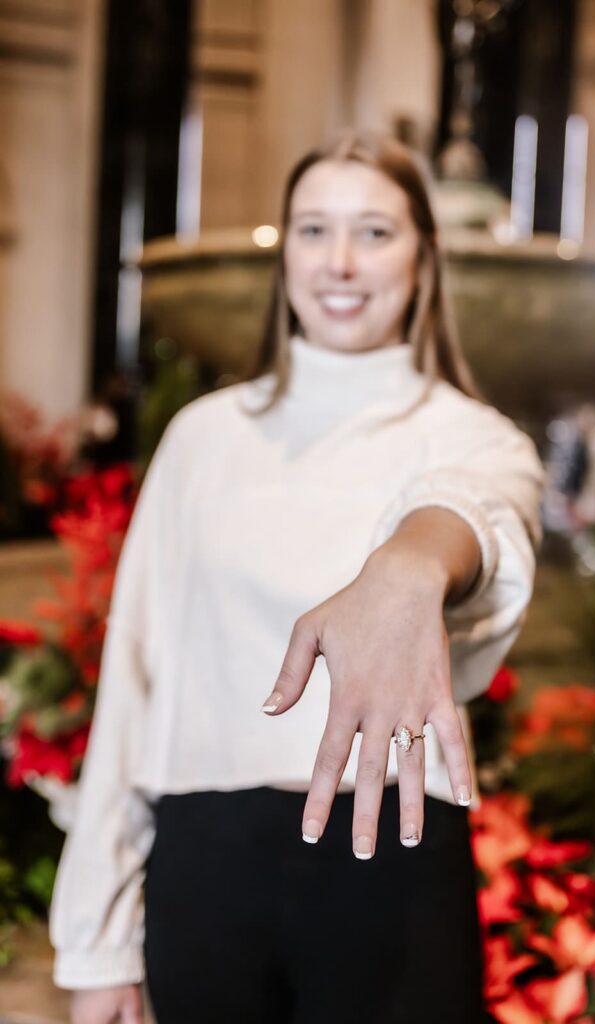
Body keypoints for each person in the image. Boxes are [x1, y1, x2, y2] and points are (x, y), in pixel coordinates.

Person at [49, 131, 544, 1024]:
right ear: (286, 256)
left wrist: (409, 563)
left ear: (424, 260)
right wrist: (97, 941)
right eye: (314, 231)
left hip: (391, 861)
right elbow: (131, 684)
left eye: (375, 233)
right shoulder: (204, 437)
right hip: (207, 862)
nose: (341, 263)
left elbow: (477, 511)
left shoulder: (474, 435)